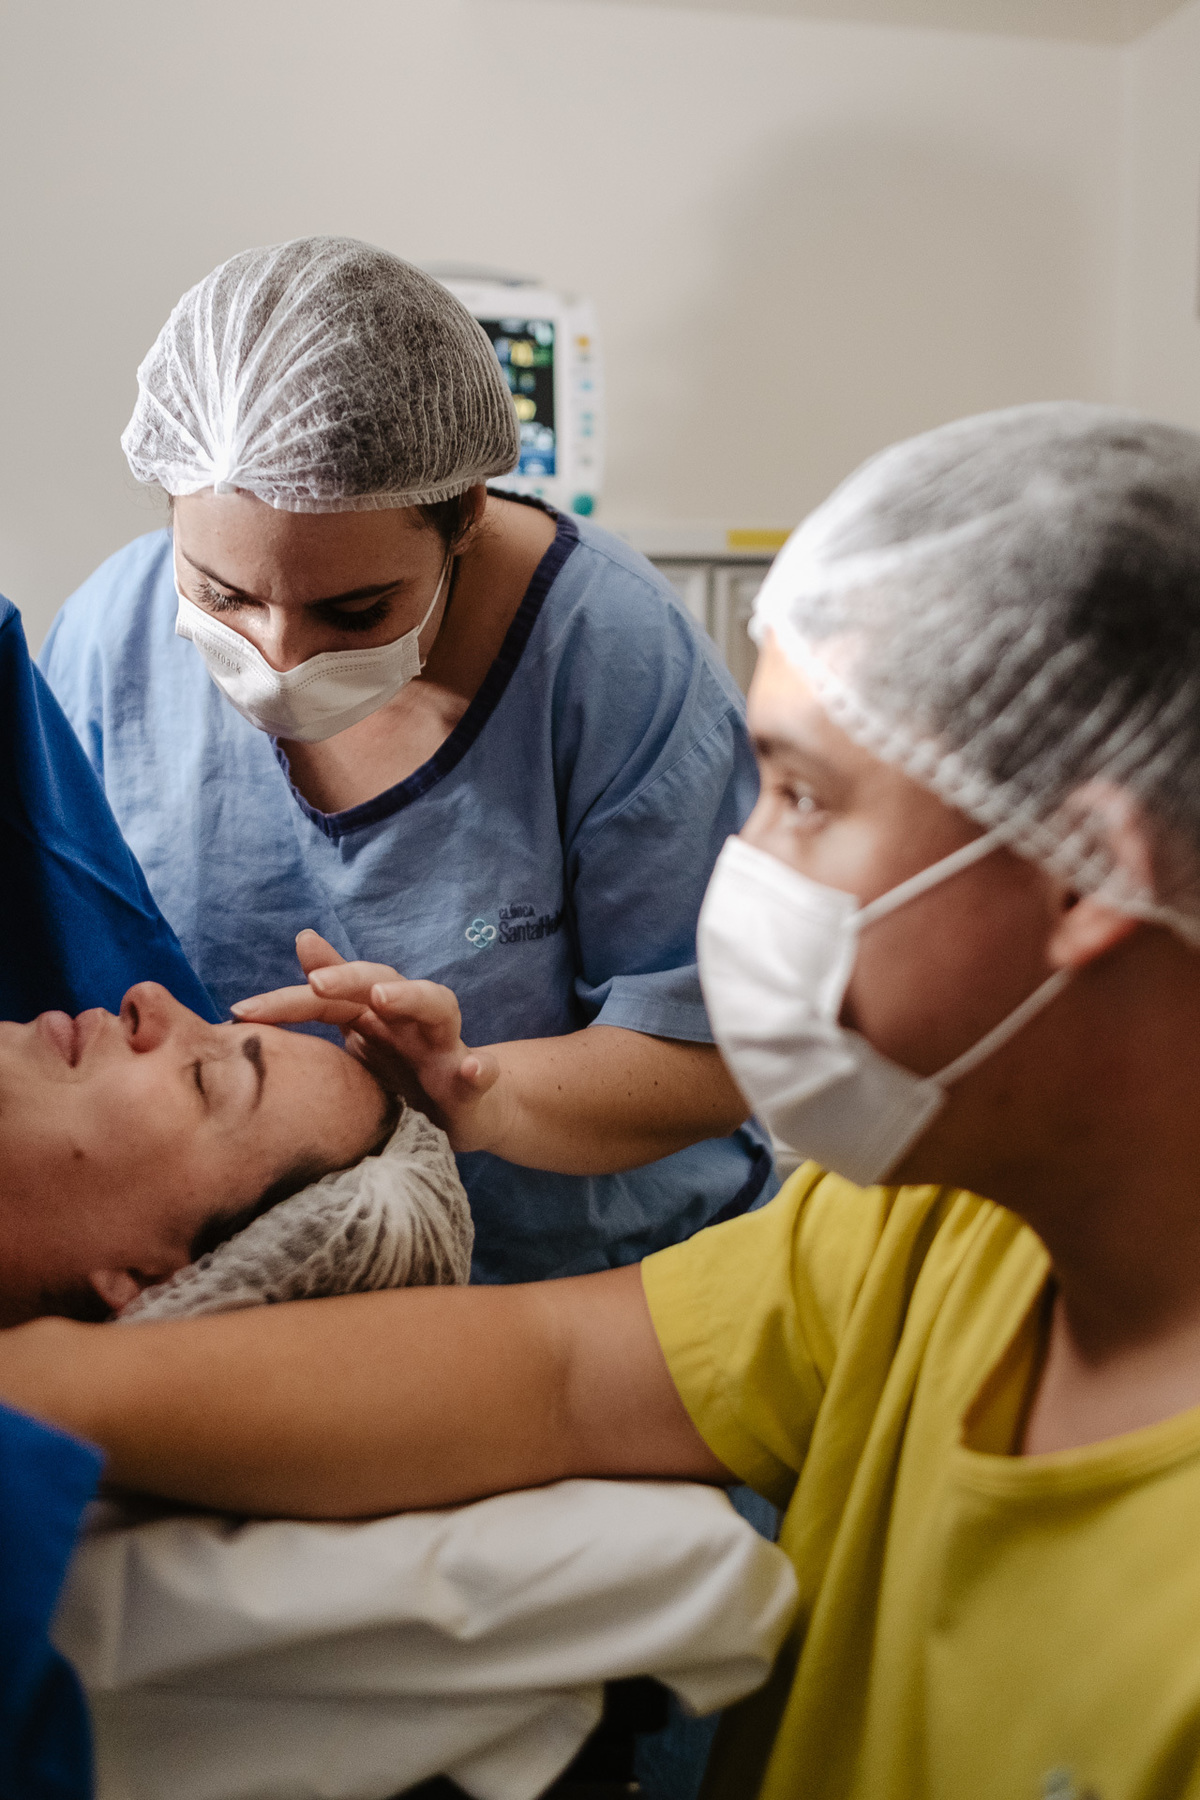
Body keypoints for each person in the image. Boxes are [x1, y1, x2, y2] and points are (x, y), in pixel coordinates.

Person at [16, 401, 1200, 1798]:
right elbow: (550, 1373)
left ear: (1084, 872)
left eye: (803, 798)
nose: (740, 862)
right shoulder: (927, 1233)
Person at [39, 236, 772, 1290]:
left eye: (354, 611)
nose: (279, 661)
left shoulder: (611, 658)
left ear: (464, 512)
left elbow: (714, 1054)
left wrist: (481, 1092)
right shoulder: (110, 640)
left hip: (593, 1282)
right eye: (223, 595)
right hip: (248, 1307)